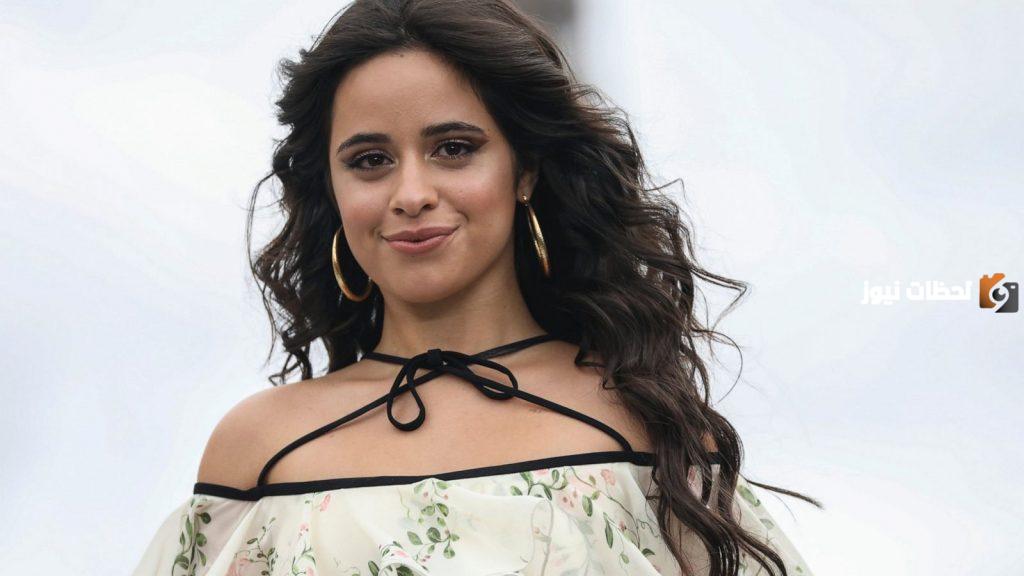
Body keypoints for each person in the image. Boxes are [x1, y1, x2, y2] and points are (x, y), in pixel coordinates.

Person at [132, 1, 823, 574]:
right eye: (370, 160)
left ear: (525, 170)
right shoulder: (262, 451)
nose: (411, 193)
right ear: (332, 189)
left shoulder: (644, 427)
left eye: (454, 149)